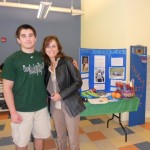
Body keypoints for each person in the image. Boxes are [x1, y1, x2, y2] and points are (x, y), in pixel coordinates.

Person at [2, 24, 51, 150]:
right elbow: (7, 88)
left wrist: (72, 63)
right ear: (18, 40)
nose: (28, 39)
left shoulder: (43, 57)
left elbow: (58, 66)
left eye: (31, 35)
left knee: (39, 137)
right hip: (21, 110)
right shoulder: (11, 60)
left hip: (41, 107)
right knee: (21, 142)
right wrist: (12, 112)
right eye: (23, 36)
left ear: (35, 38)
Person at [41, 35, 86, 150]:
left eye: (53, 46)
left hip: (70, 104)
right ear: (44, 49)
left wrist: (61, 95)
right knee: (60, 136)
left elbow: (78, 82)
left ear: (58, 48)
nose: (51, 49)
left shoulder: (67, 61)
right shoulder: (45, 66)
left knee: (73, 139)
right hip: (55, 107)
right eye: (48, 46)